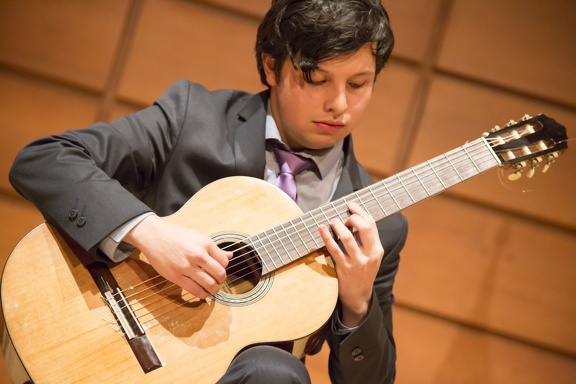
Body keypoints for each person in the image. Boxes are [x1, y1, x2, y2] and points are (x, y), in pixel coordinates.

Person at [9, 0, 407, 382]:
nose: (340, 104)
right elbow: (45, 159)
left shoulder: (376, 227)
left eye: (358, 84)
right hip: (121, 346)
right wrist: (149, 233)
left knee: (276, 373)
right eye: (317, 79)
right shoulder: (193, 119)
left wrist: (358, 304)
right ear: (271, 66)